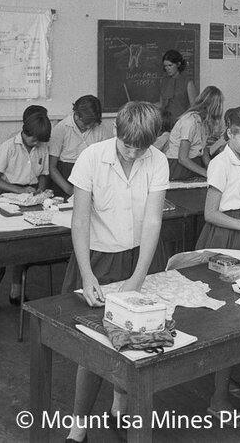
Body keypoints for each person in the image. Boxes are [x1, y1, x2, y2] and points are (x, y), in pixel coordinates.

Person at [61, 101, 169, 443]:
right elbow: (79, 220)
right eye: (128, 145)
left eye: (142, 148)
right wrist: (87, 274)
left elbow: (153, 220)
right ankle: (79, 425)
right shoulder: (92, 157)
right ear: (115, 132)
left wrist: (138, 277)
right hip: (98, 259)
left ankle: (119, 406)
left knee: (136, 341)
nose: (134, 153)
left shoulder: (158, 160)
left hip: (141, 257)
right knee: (94, 348)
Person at [194, 106, 240, 414]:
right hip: (225, 239)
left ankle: (225, 378)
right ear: (229, 134)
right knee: (225, 316)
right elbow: (211, 213)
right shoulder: (219, 164)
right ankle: (218, 398)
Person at [0, 108, 52, 305]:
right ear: (25, 132)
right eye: (34, 140)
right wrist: (18, 191)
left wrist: (40, 190)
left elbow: (44, 174)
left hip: (30, 198)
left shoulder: (42, 147)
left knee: (23, 248)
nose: (37, 144)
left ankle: (16, 293)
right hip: (8, 197)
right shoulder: (8, 146)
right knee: (2, 251)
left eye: (40, 141)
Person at [48, 95, 112, 197]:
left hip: (91, 175)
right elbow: (52, 167)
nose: (88, 127)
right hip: (65, 177)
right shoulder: (61, 128)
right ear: (76, 114)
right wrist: (69, 189)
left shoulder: (100, 128)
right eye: (85, 124)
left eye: (92, 124)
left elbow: (107, 160)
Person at [165, 85, 223, 180]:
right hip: (179, 168)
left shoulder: (203, 121)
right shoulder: (189, 122)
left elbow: (202, 150)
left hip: (194, 164)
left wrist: (211, 169)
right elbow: (183, 158)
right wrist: (206, 173)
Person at [157, 49, 197, 119]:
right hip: (165, 122)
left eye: (170, 65)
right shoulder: (163, 81)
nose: (167, 68)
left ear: (178, 64)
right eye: (165, 66)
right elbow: (161, 104)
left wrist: (180, 118)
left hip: (182, 121)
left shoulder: (188, 82)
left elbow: (193, 107)